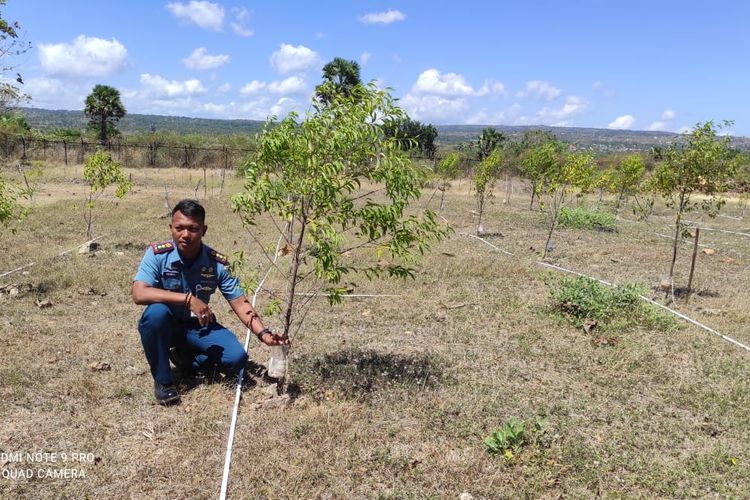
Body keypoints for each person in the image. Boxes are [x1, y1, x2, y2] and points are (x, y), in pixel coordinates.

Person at [132, 199, 288, 404]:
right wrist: (188, 300)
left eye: (193, 229)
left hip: (198, 326)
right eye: (179, 228)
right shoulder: (157, 254)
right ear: (171, 228)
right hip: (165, 324)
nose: (185, 234)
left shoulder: (217, 263)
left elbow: (240, 303)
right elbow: (139, 293)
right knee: (156, 314)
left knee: (236, 359)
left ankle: (186, 358)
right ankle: (164, 382)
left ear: (203, 230)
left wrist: (264, 334)